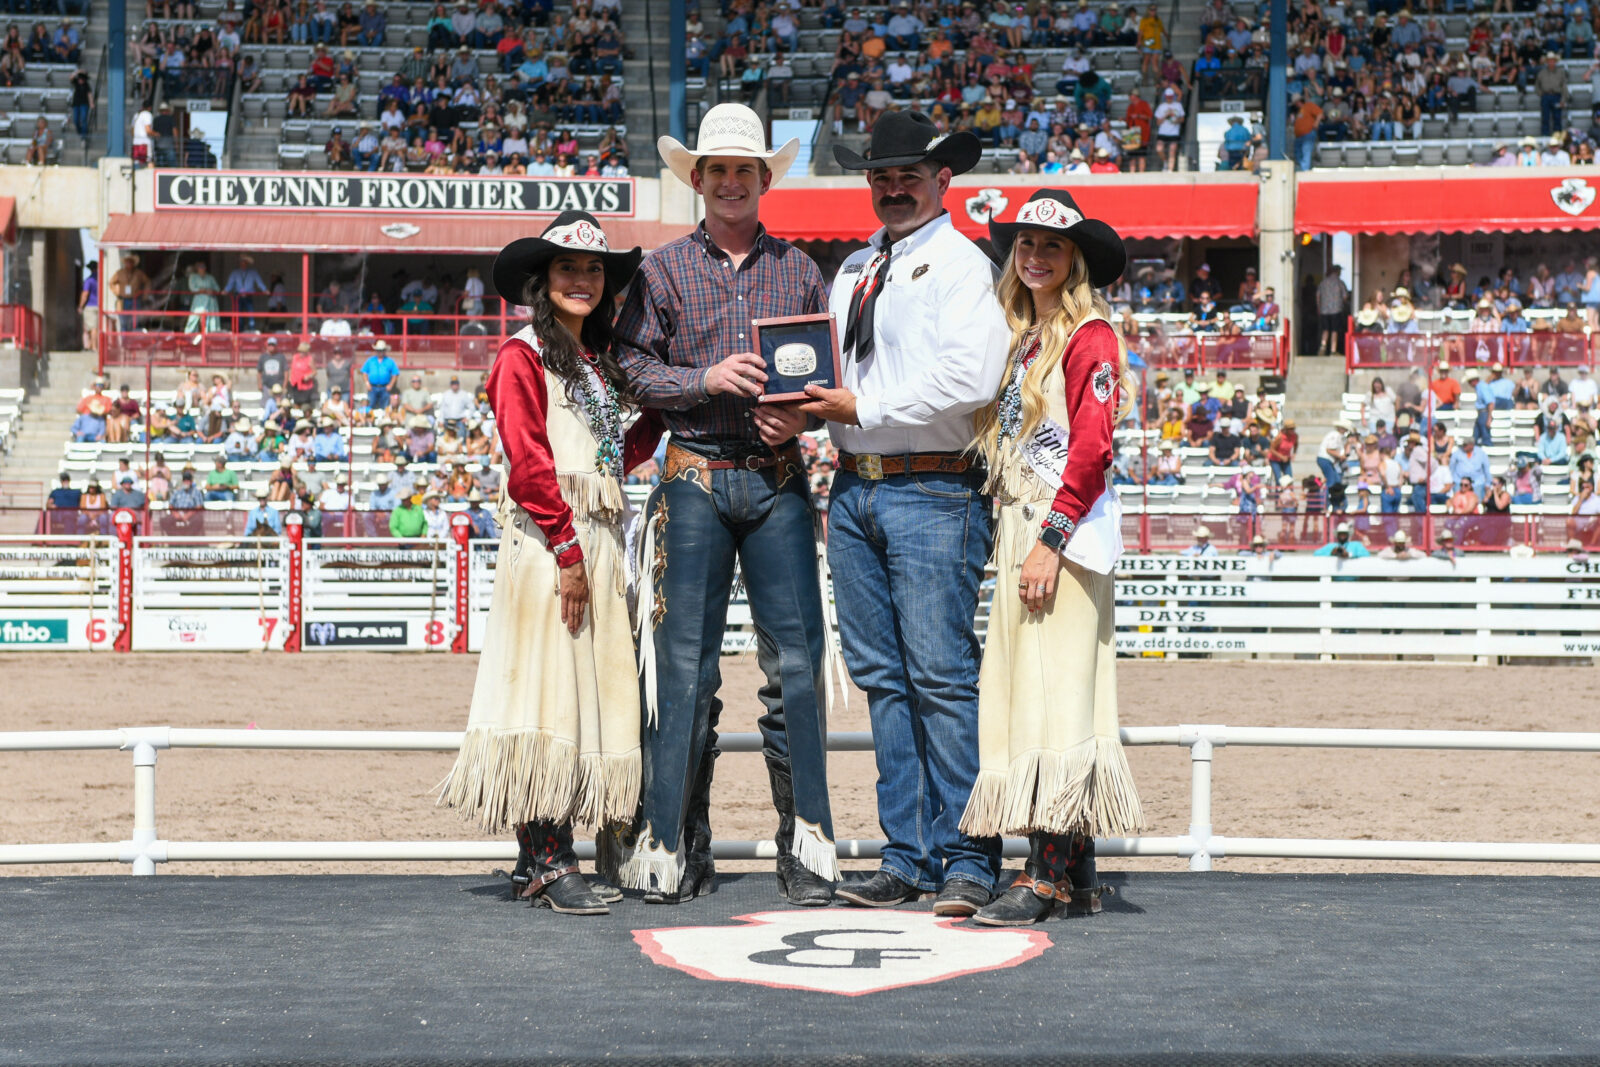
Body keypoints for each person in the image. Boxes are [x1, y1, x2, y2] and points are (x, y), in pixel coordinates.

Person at [609, 104, 840, 907]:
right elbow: (631, 366)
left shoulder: (800, 269)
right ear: (699, 180)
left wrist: (802, 416)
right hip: (695, 472)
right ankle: (673, 842)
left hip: (774, 471)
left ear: (763, 178)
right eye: (719, 170)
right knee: (683, 668)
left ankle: (806, 843)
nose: (732, 182)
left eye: (744, 170)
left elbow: (824, 385)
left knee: (798, 666)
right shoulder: (661, 270)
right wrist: (702, 380)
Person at [799, 110, 1009, 915]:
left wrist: (860, 406)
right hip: (857, 483)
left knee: (940, 676)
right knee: (886, 678)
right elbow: (828, 366)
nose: (893, 188)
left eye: (907, 177)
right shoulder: (856, 267)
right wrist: (802, 404)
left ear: (941, 180)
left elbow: (970, 379)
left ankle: (968, 853)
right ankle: (910, 853)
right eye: (881, 177)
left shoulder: (963, 264)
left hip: (933, 484)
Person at [438, 211, 664, 914]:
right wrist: (567, 551)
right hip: (549, 543)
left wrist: (664, 412)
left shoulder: (592, 362)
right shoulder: (523, 355)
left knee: (577, 689)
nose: (582, 280)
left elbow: (608, 457)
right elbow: (530, 464)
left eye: (594, 269)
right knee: (545, 689)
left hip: (593, 538)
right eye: (568, 267)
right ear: (543, 279)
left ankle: (538, 861)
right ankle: (548, 860)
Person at [954, 189, 1145, 926]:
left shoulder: (1088, 337)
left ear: (1075, 260)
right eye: (1026, 244)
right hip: (1025, 523)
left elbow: (1091, 450)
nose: (1035, 256)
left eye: (1052, 246)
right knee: (1040, 689)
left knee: (1053, 695)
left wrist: (1051, 541)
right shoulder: (1026, 337)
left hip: (1055, 531)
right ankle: (1077, 870)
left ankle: (1045, 876)